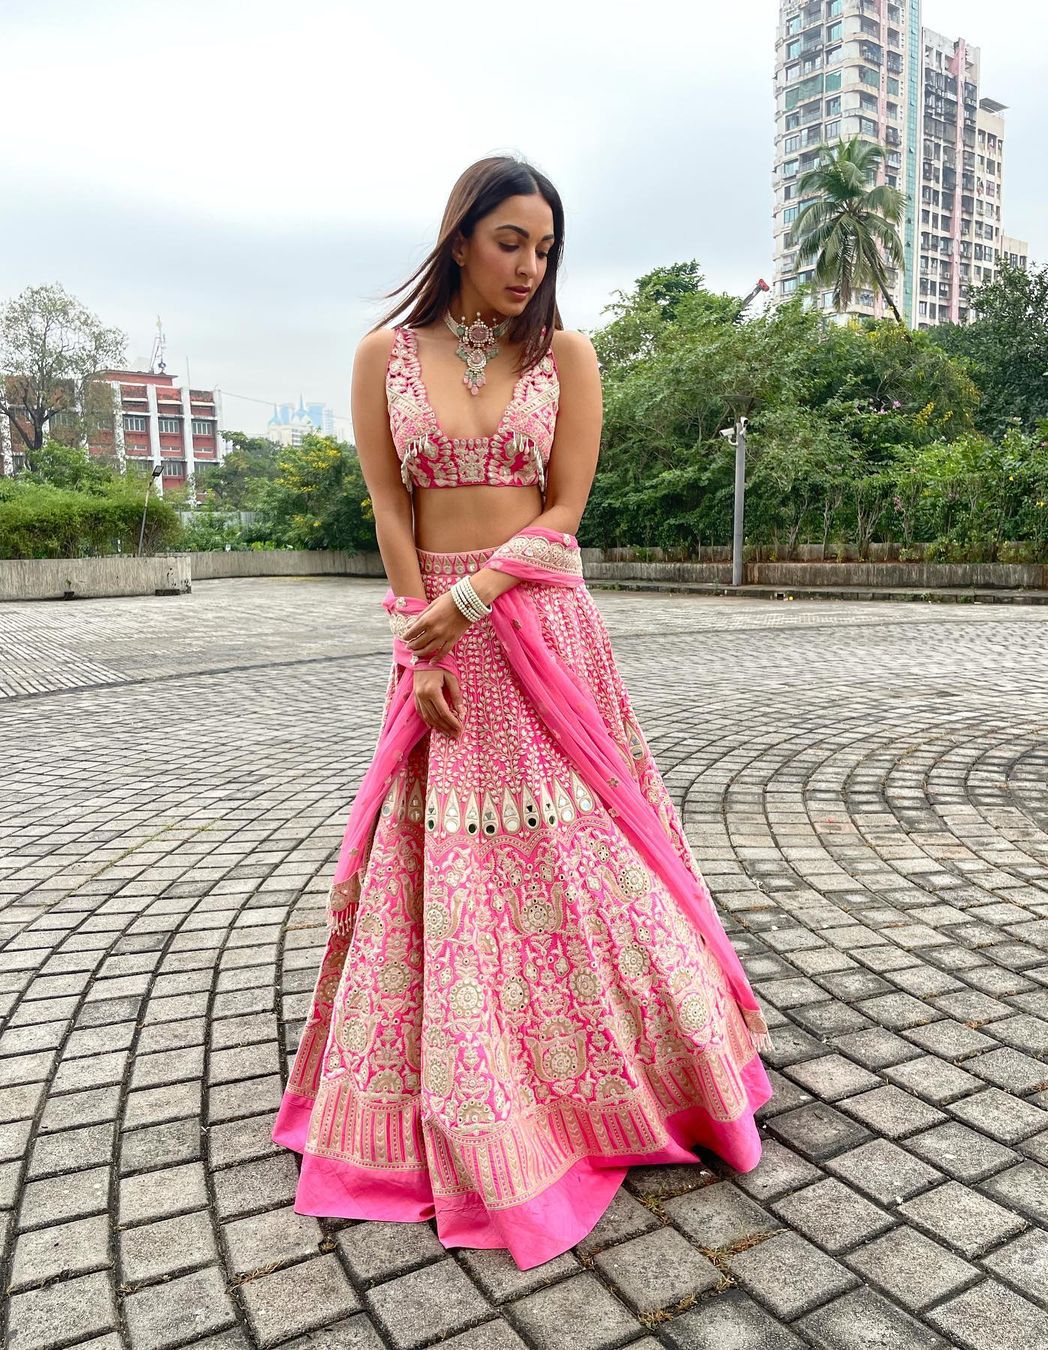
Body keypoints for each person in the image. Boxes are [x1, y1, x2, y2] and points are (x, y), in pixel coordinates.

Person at [272, 154, 774, 1271]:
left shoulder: (565, 356)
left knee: (584, 847)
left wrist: (472, 601)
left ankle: (629, 1072)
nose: (529, 265)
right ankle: (478, 1080)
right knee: (452, 857)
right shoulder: (383, 357)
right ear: (460, 238)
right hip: (434, 636)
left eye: (544, 248)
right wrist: (419, 636)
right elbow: (390, 504)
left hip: (538, 623)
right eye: (510, 241)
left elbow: (565, 508)